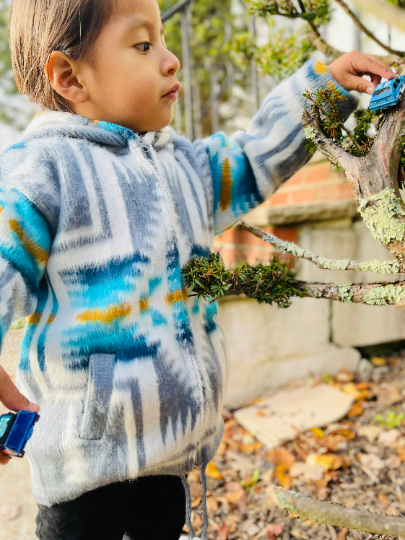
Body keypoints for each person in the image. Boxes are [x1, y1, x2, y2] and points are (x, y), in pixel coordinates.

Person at [0, 0, 395, 538]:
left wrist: (325, 88)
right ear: (69, 76)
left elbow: (254, 155)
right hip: (85, 478)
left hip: (172, 460)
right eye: (143, 45)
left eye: (164, 40)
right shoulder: (43, 172)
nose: (171, 60)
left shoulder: (184, 167)